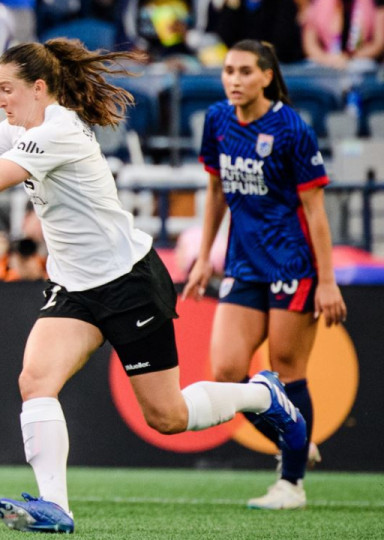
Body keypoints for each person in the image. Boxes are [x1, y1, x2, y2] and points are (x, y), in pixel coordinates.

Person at [0, 37, 307, 534]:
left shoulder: (57, 131)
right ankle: (57, 509)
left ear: (39, 87)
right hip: (73, 287)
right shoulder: (21, 128)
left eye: (6, 90)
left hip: (128, 282)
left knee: (168, 417)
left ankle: (261, 396)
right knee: (35, 381)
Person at [182, 39, 348, 510]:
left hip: (292, 264)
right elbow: (216, 190)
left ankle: (291, 485)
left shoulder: (292, 129)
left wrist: (328, 280)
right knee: (229, 373)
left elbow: (316, 212)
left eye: (244, 72)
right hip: (242, 262)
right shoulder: (217, 120)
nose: (233, 79)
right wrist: (204, 257)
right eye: (228, 71)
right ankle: (296, 436)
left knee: (289, 369)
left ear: (266, 77)